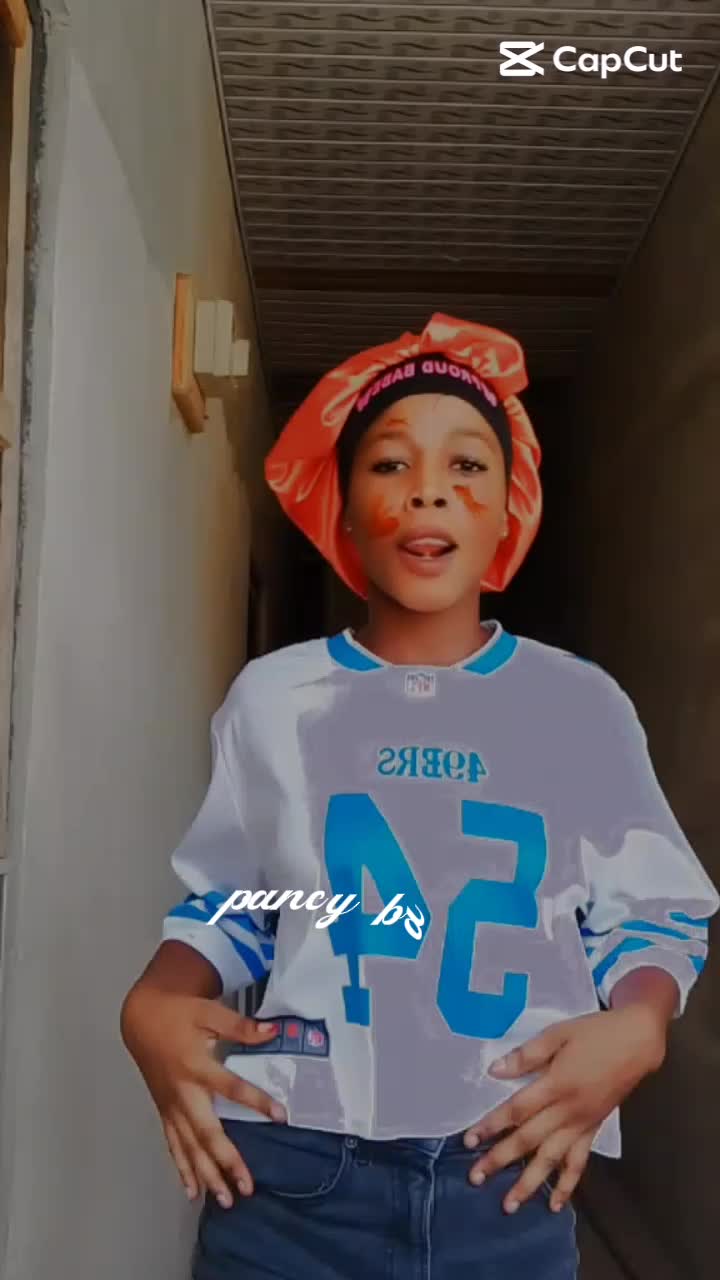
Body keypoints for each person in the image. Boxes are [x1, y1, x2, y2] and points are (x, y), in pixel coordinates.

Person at [121, 315, 719, 1279]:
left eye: (467, 465)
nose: (428, 488)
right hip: (290, 1172)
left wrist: (641, 1025)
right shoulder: (275, 699)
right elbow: (243, 903)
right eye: (390, 464)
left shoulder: (580, 705)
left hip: (510, 1170)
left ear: (509, 509)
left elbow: (653, 912)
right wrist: (155, 998)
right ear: (344, 506)